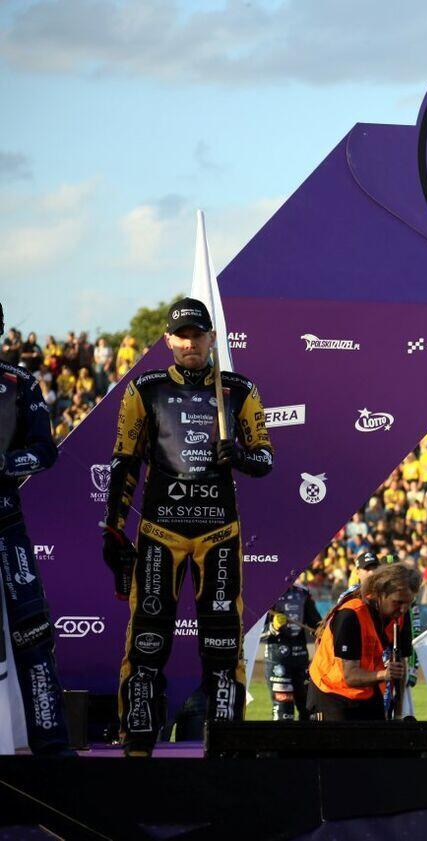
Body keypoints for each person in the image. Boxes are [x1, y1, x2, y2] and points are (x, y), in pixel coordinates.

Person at [101, 298, 274, 756]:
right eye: (182, 337)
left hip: (219, 535)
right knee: (146, 643)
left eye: (198, 336)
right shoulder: (145, 389)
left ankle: (227, 748)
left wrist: (239, 455)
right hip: (160, 533)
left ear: (212, 338)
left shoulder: (238, 389)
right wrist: (113, 529)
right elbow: (124, 462)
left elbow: (265, 458)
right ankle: (138, 744)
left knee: (223, 647)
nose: (190, 344)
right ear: (168, 341)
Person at [0, 303, 73, 755]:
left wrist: (5, 463)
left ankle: (52, 747)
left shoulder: (18, 382)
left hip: (5, 522)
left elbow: (46, 451)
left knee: (32, 633)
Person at [308, 563, 418, 721]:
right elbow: (350, 676)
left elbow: (400, 665)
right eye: (398, 602)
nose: (403, 609)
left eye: (408, 603)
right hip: (331, 691)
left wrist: (398, 712)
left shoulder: (400, 615)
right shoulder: (351, 615)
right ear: (380, 594)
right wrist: (384, 674)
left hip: (367, 689)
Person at [261, 581, 322, 721]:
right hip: (277, 662)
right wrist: (272, 627)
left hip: (301, 660)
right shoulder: (266, 595)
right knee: (284, 712)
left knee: (310, 710)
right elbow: (253, 632)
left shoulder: (302, 593)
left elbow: (316, 624)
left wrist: (326, 629)